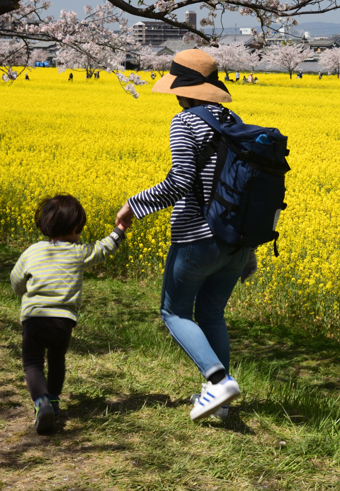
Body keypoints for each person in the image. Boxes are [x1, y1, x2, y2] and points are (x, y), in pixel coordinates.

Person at [115, 49, 254, 422]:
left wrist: (133, 205)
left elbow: (179, 183)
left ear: (184, 89)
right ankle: (219, 402)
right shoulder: (234, 120)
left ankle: (219, 381)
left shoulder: (186, 122)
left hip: (198, 236)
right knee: (211, 312)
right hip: (236, 239)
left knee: (173, 311)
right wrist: (250, 247)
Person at [11, 195, 126, 434]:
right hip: (62, 322)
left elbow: (16, 280)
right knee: (56, 359)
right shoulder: (78, 252)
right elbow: (103, 249)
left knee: (32, 364)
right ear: (75, 228)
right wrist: (120, 230)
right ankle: (53, 400)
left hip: (33, 319)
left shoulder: (32, 251)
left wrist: (24, 293)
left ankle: (41, 402)